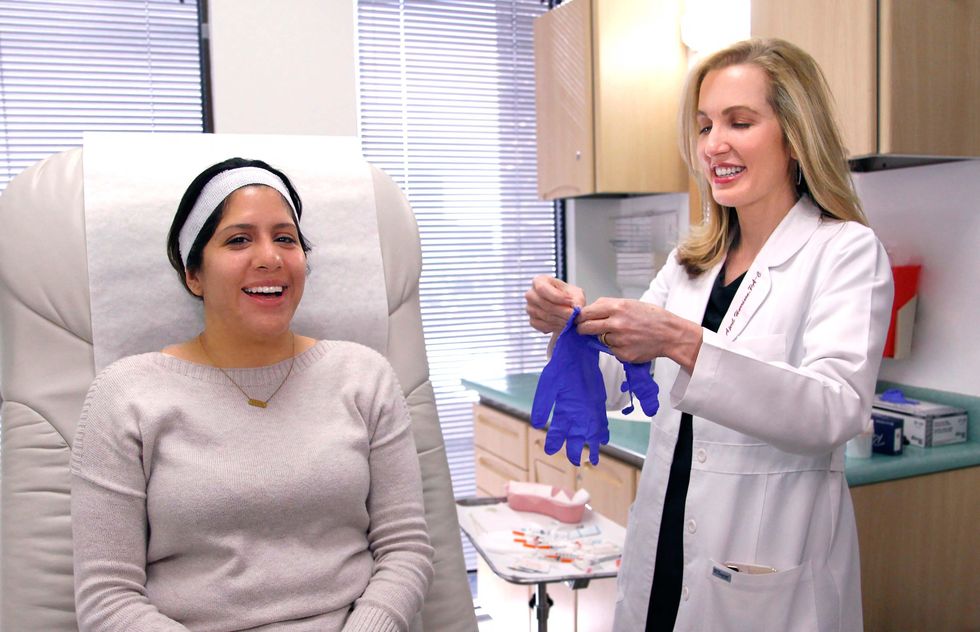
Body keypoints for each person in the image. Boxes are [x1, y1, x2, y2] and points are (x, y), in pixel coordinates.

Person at [525, 38, 893, 632]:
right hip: (667, 537)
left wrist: (684, 342)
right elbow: (623, 383)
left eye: (739, 122)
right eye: (703, 126)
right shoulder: (692, 260)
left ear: (796, 136)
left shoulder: (844, 251)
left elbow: (836, 408)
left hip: (767, 562)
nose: (713, 144)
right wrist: (574, 329)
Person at [71, 158, 434, 631]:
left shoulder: (364, 376)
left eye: (286, 238)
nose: (270, 258)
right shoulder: (125, 395)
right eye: (239, 239)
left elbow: (405, 549)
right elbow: (107, 599)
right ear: (193, 275)